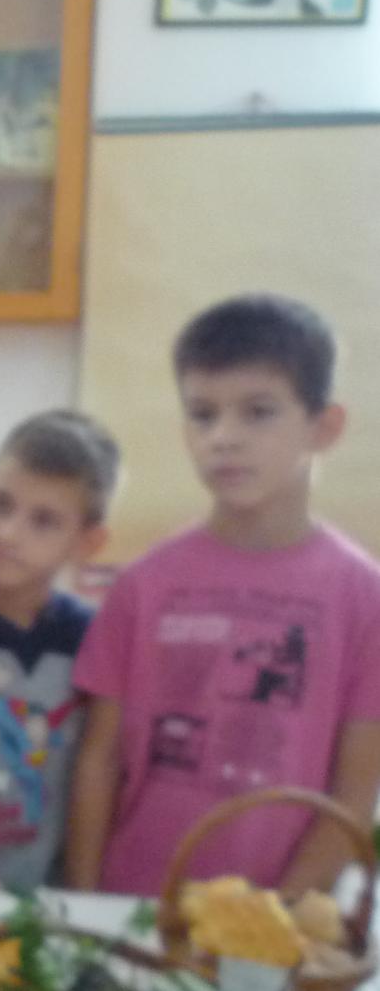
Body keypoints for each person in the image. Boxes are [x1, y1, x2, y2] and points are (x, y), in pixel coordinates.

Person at [67, 294, 380, 897]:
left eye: (258, 412)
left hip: (275, 924)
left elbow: (354, 797)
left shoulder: (365, 599)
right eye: (202, 415)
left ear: (324, 427)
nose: (224, 438)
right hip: (131, 911)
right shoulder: (142, 587)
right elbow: (99, 762)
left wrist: (272, 921)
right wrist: (82, 907)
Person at [0, 410, 120, 893]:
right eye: (0, 505)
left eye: (44, 521)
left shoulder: (92, 637)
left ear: (88, 542)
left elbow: (97, 770)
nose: (8, 533)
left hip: (40, 898)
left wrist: (80, 894)